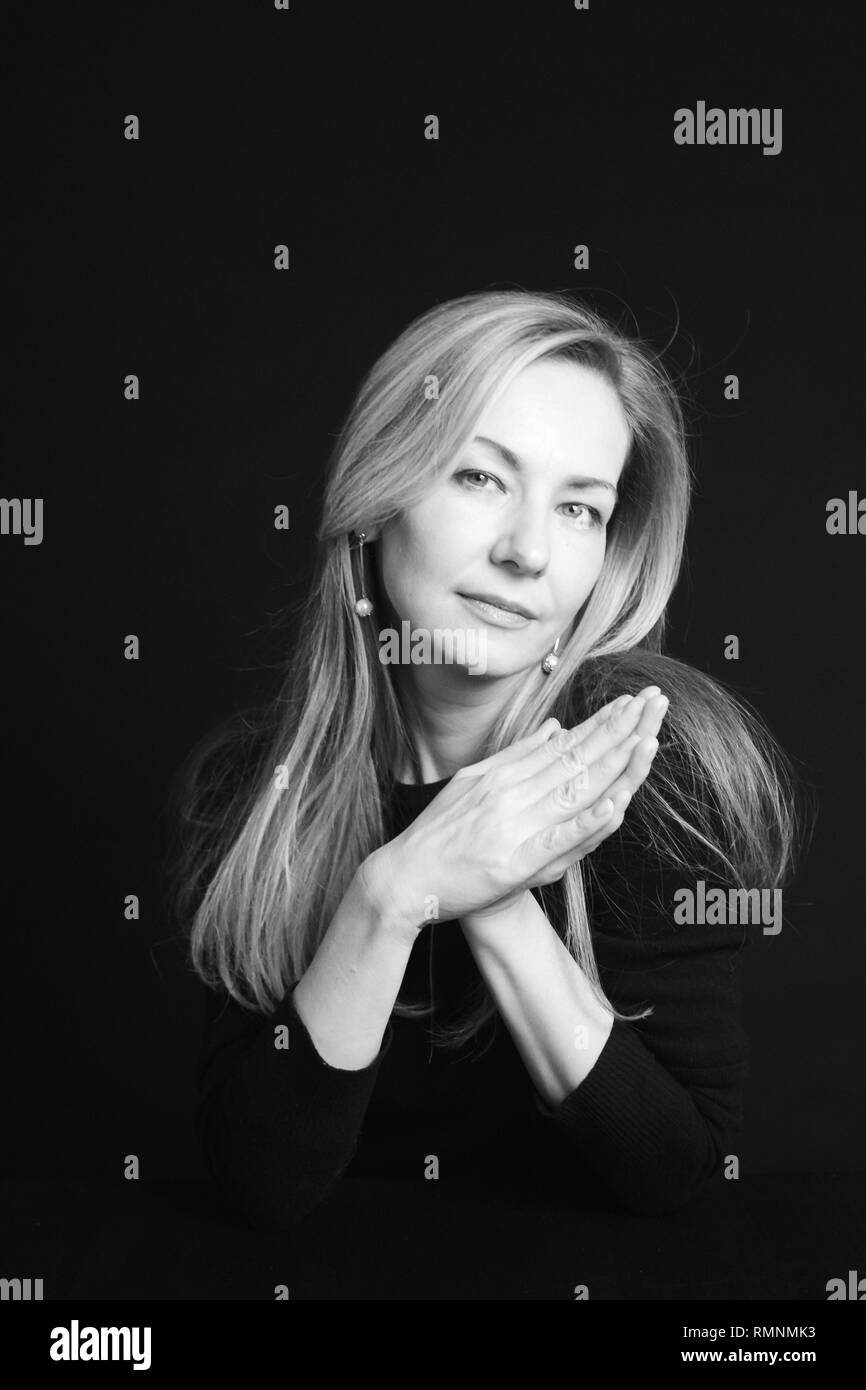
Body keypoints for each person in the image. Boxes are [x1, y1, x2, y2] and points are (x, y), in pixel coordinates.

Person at [165, 288, 806, 1233]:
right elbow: (261, 1183)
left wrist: (496, 895)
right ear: (377, 499)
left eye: (580, 507)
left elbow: (677, 1170)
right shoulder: (254, 787)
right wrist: (393, 894)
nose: (530, 551)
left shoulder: (656, 766)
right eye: (480, 479)